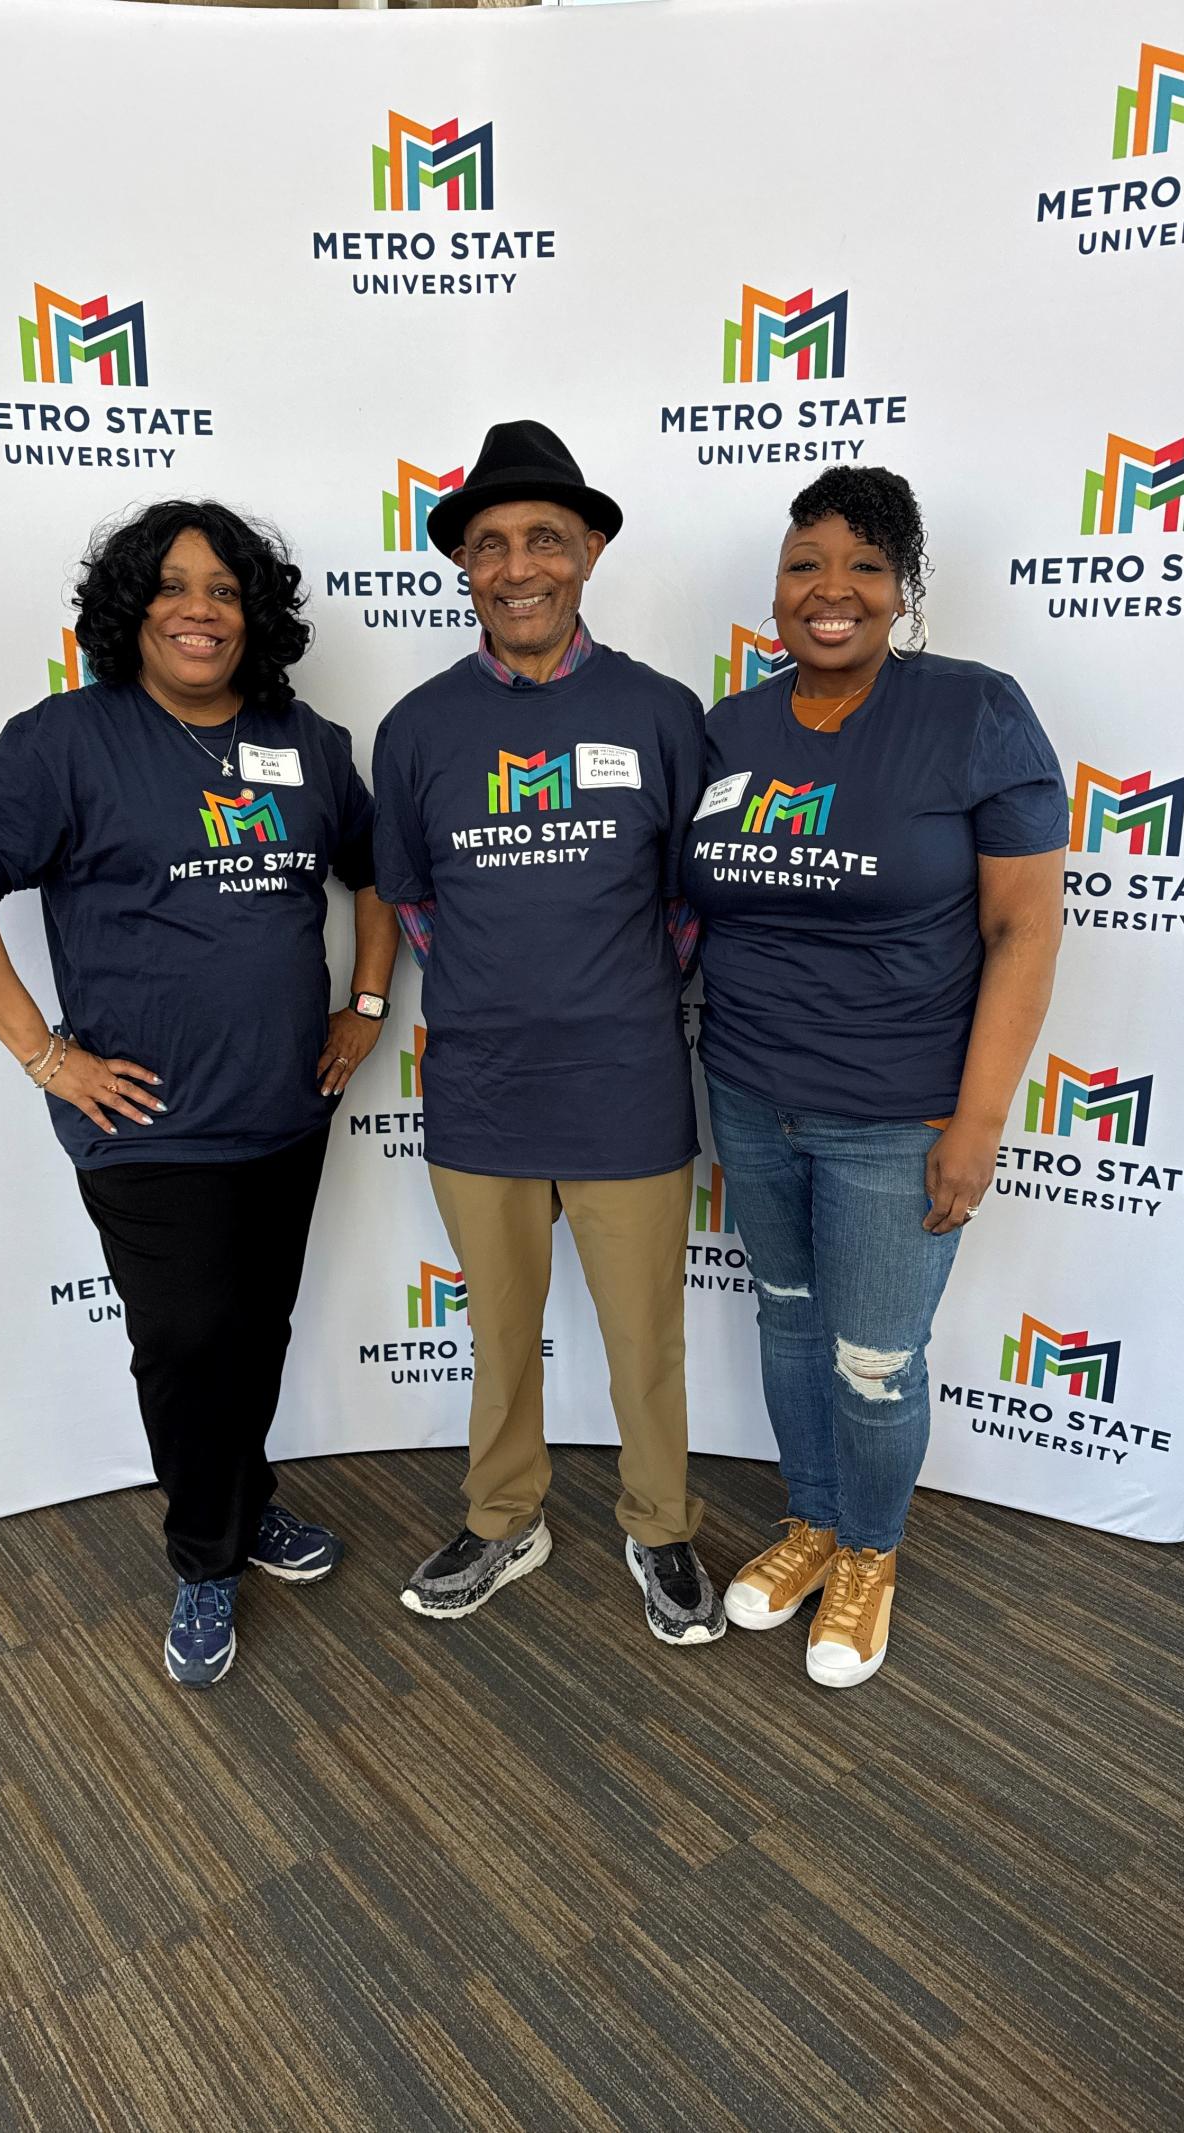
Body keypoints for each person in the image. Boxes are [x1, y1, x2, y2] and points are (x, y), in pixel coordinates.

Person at [0, 500, 397, 1688]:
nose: (200, 610)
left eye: (224, 591)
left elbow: (377, 872)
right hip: (138, 1121)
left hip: (284, 1106)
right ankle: (204, 1558)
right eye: (175, 588)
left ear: (254, 615)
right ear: (132, 611)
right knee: (185, 1340)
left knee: (256, 1329)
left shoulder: (309, 741)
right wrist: (47, 1058)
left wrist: (367, 1007)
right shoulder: (63, 741)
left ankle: (244, 1497)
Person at [682, 466, 1066, 1687]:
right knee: (789, 1322)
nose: (830, 591)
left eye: (863, 568)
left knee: (875, 1356)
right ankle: (809, 1523)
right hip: (745, 1088)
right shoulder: (731, 728)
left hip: (898, 1116)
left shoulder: (975, 712)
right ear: (775, 590)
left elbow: (1025, 930)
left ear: (902, 590)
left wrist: (976, 1121)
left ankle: (870, 1553)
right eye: (805, 567)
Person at [372, 419, 724, 1646]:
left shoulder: (664, 712)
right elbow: (411, 899)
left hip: (628, 1086)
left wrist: (605, 989)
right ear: (464, 568)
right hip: (480, 1088)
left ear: (589, 552)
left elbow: (689, 900)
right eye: (489, 546)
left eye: (544, 540)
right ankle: (504, 1514)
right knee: (499, 1336)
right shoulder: (417, 728)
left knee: (645, 1340)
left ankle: (662, 1528)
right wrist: (498, 986)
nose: (517, 566)